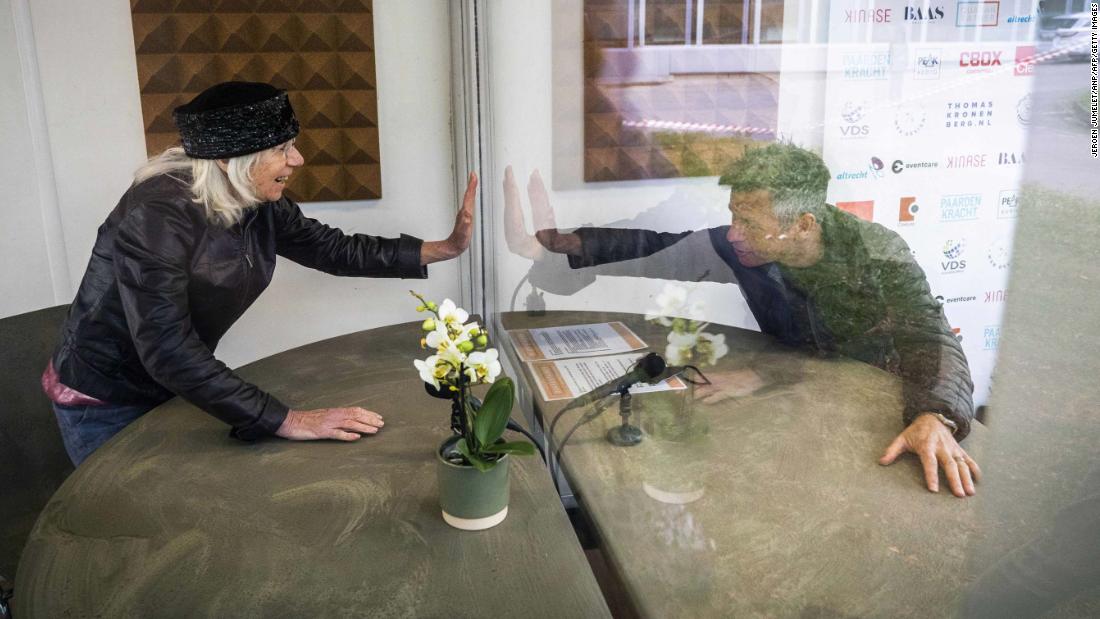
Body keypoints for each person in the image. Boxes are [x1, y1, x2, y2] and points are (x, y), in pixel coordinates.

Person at [504, 142, 983, 498]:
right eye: (734, 214)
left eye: (750, 222)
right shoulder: (741, 248)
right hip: (799, 415)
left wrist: (933, 414)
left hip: (884, 421)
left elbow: (931, 340)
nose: (733, 234)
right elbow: (652, 249)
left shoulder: (878, 254)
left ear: (803, 225)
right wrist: (554, 244)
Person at [43, 81, 477, 466]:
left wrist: (444, 248)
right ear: (232, 158)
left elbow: (330, 248)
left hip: (171, 387)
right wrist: (284, 419)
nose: (299, 159)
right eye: (282, 148)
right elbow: (167, 348)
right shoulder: (158, 214)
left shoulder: (256, 198)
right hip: (106, 401)